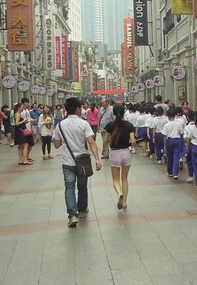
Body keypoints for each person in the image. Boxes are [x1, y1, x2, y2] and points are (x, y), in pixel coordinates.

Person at [52, 97, 102, 227]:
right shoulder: (83, 124)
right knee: (82, 186)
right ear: (78, 109)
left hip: (68, 162)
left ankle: (72, 215)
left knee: (69, 188)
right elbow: (91, 142)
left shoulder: (60, 125)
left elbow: (56, 145)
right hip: (83, 162)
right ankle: (82, 210)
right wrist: (97, 159)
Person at [105, 104, 137, 210]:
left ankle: (119, 194)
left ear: (113, 113)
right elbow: (132, 142)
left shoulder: (110, 125)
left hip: (115, 153)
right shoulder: (129, 125)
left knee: (115, 180)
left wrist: (104, 148)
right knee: (125, 179)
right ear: (124, 112)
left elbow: (105, 140)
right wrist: (132, 143)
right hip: (126, 153)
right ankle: (124, 202)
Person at [163, 108, 184, 179]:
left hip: (170, 140)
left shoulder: (166, 125)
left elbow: (165, 136)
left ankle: (170, 172)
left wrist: (165, 145)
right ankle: (175, 173)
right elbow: (181, 133)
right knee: (176, 157)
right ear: (175, 115)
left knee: (170, 157)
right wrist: (180, 140)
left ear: (168, 117)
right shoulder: (178, 124)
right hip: (177, 140)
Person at [14, 100, 34, 165]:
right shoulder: (18, 114)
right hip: (20, 132)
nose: (23, 108)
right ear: (18, 108)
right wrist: (24, 121)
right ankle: (25, 160)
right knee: (26, 145)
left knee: (20, 146)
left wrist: (25, 121)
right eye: (22, 107)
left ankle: (20, 160)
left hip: (19, 131)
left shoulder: (17, 114)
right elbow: (16, 123)